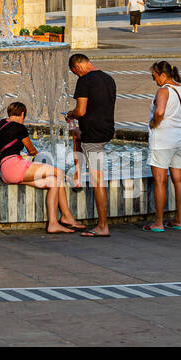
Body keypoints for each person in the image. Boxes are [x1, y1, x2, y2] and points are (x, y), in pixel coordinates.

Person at [0, 101, 81, 234]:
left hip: (6, 171)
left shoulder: (1, 124)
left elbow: (4, 151)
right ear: (23, 114)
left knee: (53, 182)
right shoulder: (19, 128)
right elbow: (31, 150)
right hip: (15, 167)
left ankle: (53, 224)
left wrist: (2, 174)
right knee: (58, 172)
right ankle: (67, 216)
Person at [144, 60, 181, 232]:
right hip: (179, 138)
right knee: (178, 179)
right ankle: (179, 220)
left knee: (160, 181)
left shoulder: (163, 91)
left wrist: (155, 122)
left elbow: (160, 112)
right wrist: (178, 118)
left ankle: (158, 222)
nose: (154, 80)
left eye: (155, 76)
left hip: (162, 139)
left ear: (162, 75)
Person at [65, 53, 117, 237]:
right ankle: (78, 174)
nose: (77, 76)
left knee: (97, 181)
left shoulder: (84, 81)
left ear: (77, 67)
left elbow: (81, 110)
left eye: (75, 73)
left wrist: (70, 114)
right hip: (107, 130)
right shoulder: (108, 78)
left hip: (93, 135)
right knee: (77, 138)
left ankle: (102, 226)